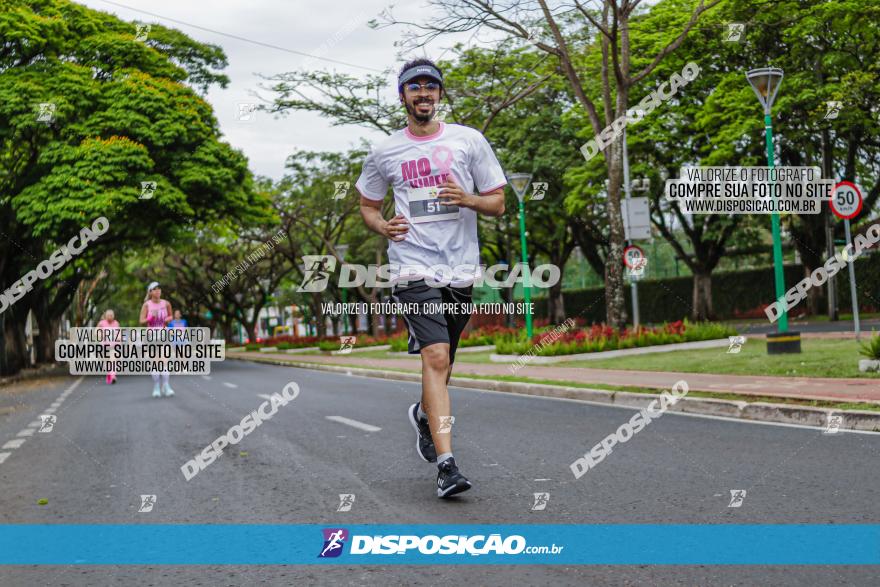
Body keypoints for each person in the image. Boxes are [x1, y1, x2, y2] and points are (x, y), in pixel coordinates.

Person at [356, 58, 506, 498]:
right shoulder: (385, 152)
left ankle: (424, 415)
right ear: (402, 96)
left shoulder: (469, 141)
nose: (423, 93)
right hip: (411, 266)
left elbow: (497, 203)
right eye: (414, 87)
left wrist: (469, 199)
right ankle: (447, 466)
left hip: (460, 266)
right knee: (436, 357)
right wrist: (382, 226)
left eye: (430, 86)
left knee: (445, 364)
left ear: (440, 94)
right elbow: (368, 205)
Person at [139, 281, 174, 398]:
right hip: (151, 336)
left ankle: (166, 385)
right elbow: (141, 321)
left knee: (164, 361)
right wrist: (150, 317)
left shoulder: (166, 303)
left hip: (163, 335)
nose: (158, 290)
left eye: (159, 288)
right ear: (150, 292)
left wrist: (168, 319)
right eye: (155, 289)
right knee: (155, 362)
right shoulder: (147, 305)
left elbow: (171, 315)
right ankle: (156, 387)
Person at [97, 309, 119, 385]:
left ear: (114, 316)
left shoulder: (116, 323)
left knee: (113, 360)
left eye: (111, 315)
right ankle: (109, 374)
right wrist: (101, 335)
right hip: (104, 346)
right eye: (109, 315)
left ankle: (113, 376)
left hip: (113, 346)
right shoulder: (101, 323)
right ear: (106, 316)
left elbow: (118, 333)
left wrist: (119, 339)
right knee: (107, 362)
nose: (110, 316)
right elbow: (96, 332)